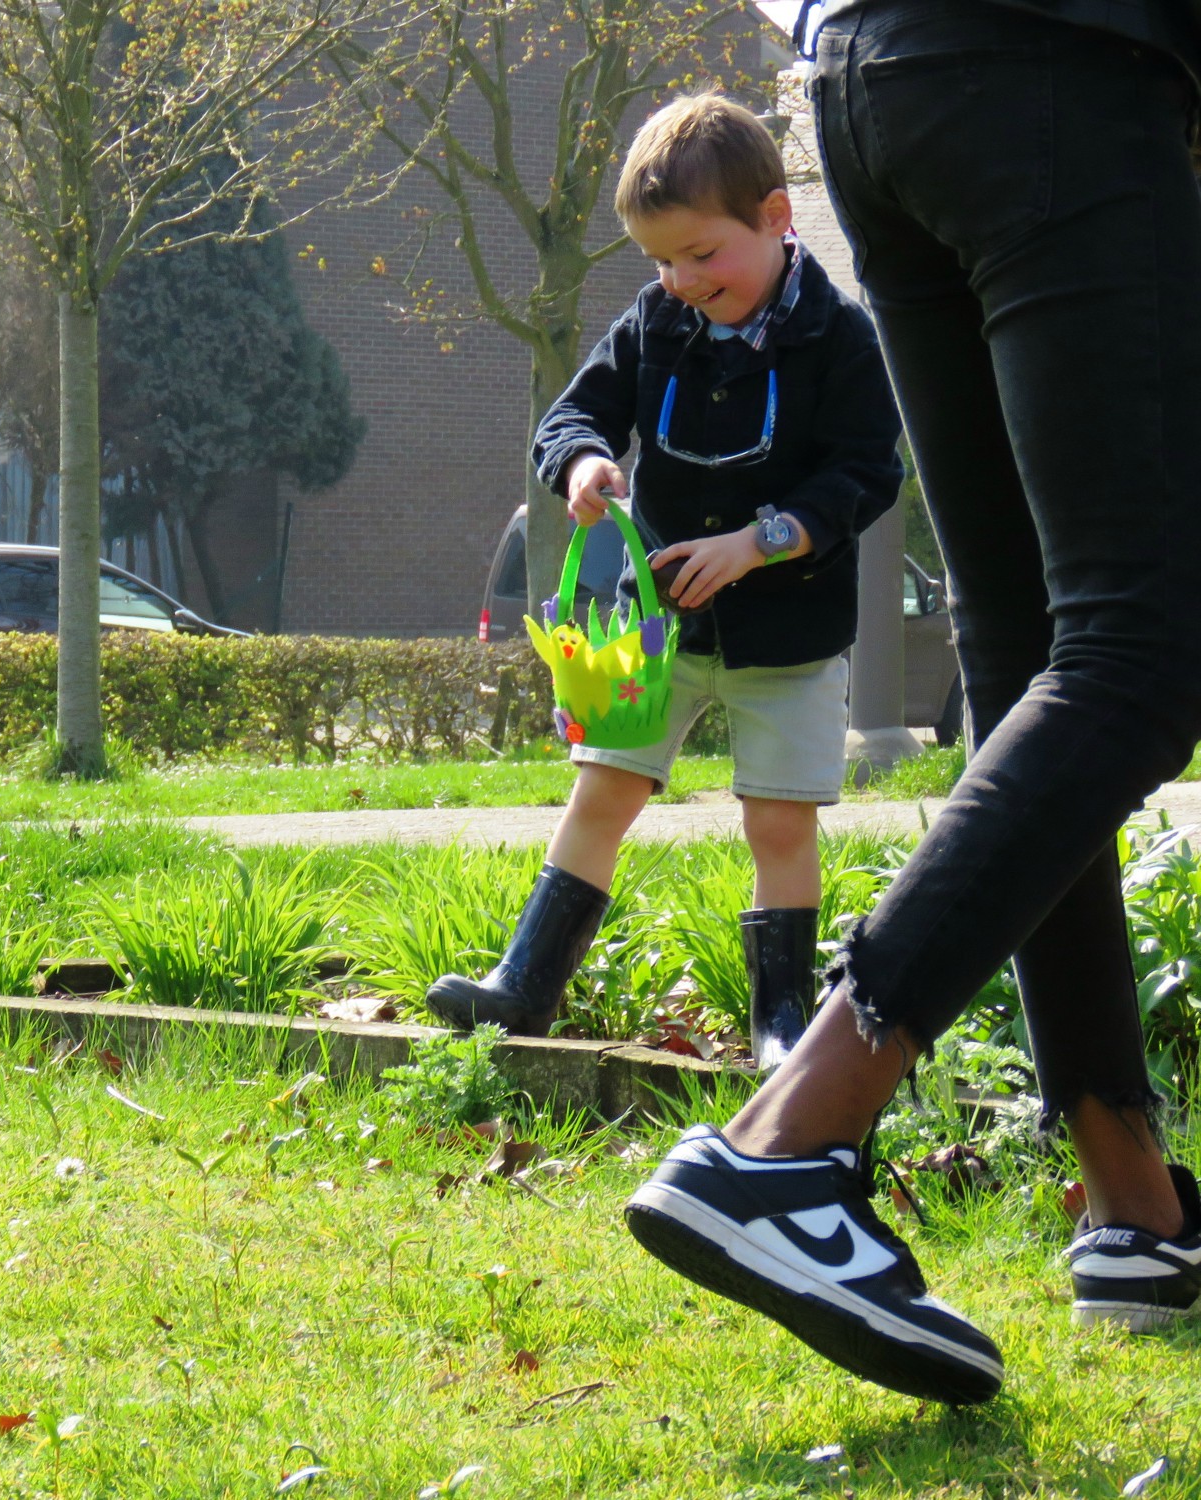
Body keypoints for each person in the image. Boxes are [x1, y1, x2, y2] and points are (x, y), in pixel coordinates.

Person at [624, 0, 1201, 1408]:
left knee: (1032, 658)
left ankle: (1133, 1203)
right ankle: (783, 1147)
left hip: (872, 83)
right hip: (1060, 71)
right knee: (1142, 652)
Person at [426, 94, 903, 1072]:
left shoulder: (838, 337)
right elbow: (570, 416)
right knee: (602, 792)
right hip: (653, 630)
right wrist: (582, 466)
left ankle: (779, 1024)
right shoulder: (654, 322)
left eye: (701, 256)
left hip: (788, 629)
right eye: (659, 261)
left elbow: (864, 470)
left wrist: (759, 542)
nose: (680, 281)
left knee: (776, 819)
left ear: (776, 219)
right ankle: (524, 985)